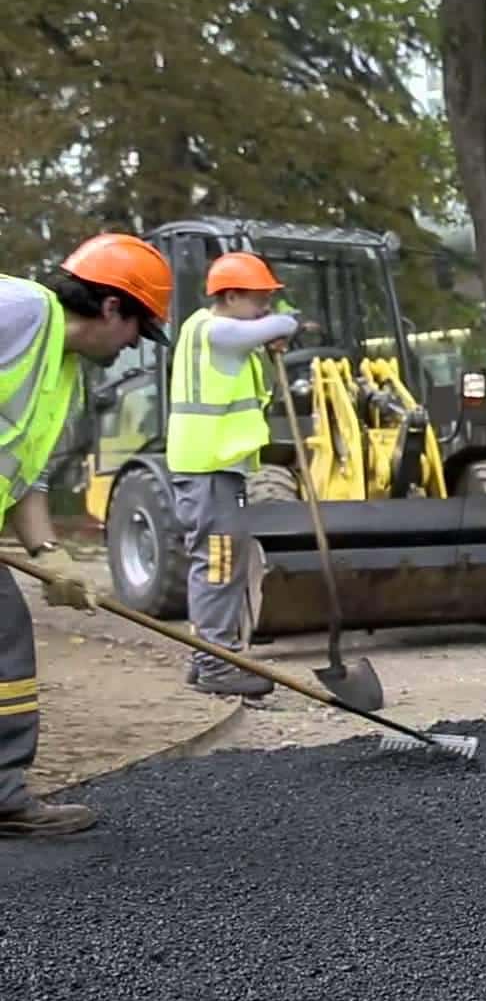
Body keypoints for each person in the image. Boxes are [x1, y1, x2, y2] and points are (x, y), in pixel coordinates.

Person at [1, 233, 173, 838]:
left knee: (5, 639)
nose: (132, 347)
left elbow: (26, 474)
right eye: (137, 330)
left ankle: (3, 793)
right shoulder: (18, 309)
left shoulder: (66, 374)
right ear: (110, 309)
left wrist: (50, 554)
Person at [166, 252, 300, 700]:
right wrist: (282, 325)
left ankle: (205, 657)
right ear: (230, 295)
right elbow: (277, 326)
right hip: (208, 469)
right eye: (259, 298)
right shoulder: (213, 330)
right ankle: (215, 663)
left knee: (221, 561)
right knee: (220, 564)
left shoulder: (216, 335)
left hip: (217, 469)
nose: (265, 307)